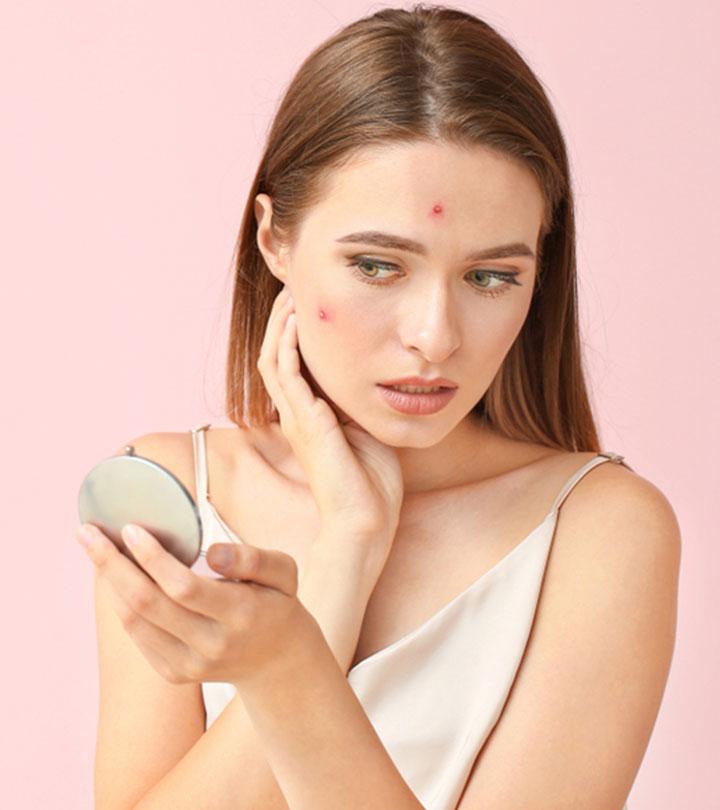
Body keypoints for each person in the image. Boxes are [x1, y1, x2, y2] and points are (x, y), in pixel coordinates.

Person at [77, 5, 681, 809]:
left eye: (491, 277)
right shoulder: (169, 495)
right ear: (274, 239)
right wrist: (345, 556)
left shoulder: (602, 529)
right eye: (376, 266)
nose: (435, 337)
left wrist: (290, 666)